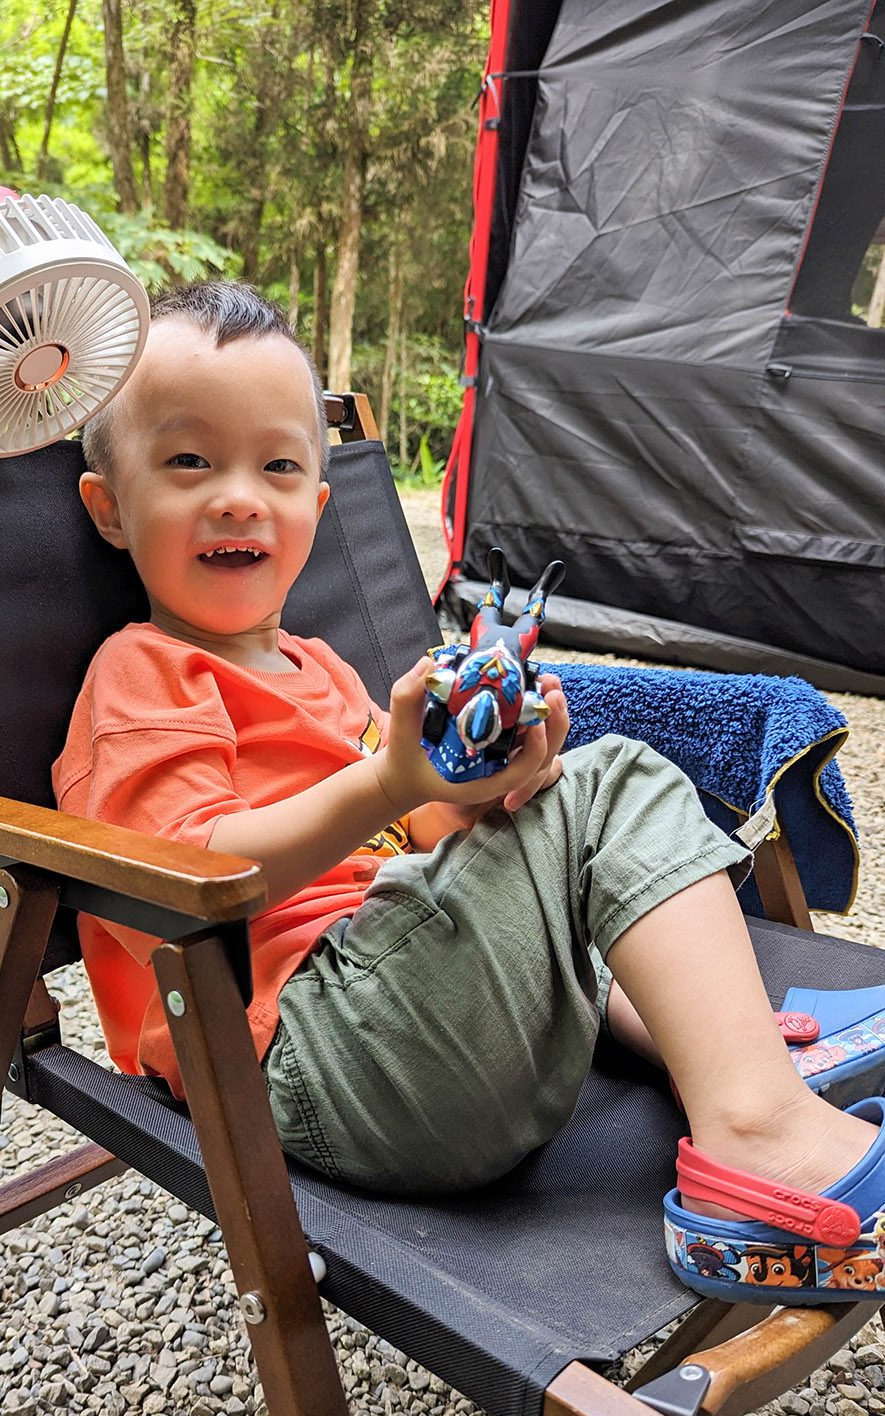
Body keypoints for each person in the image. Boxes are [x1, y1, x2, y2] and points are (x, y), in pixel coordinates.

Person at [53, 280, 885, 1304]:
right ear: (108, 506)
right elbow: (188, 874)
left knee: (564, 793)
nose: (238, 496)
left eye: (276, 465)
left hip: (436, 1033)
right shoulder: (143, 674)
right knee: (612, 780)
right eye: (189, 462)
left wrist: (493, 787)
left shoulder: (322, 670)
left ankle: (710, 1053)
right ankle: (758, 1143)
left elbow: (425, 839)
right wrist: (386, 778)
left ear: (316, 505)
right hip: (320, 1057)